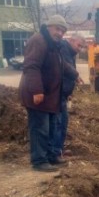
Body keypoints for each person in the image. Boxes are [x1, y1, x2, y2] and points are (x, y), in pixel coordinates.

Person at [18, 15, 78, 172]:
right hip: (39, 95)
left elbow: (61, 63)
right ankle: (39, 160)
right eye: (57, 29)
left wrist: (74, 74)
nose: (60, 33)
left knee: (52, 127)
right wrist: (37, 90)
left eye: (63, 31)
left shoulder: (53, 44)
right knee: (40, 128)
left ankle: (51, 156)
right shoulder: (38, 40)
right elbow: (31, 66)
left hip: (50, 96)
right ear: (49, 26)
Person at [53, 34, 86, 158]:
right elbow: (65, 69)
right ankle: (56, 153)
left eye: (82, 47)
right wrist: (76, 75)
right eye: (79, 45)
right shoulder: (63, 49)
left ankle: (59, 149)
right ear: (71, 40)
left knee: (63, 123)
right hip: (57, 93)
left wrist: (69, 93)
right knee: (58, 123)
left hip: (63, 94)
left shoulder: (70, 52)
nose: (80, 49)